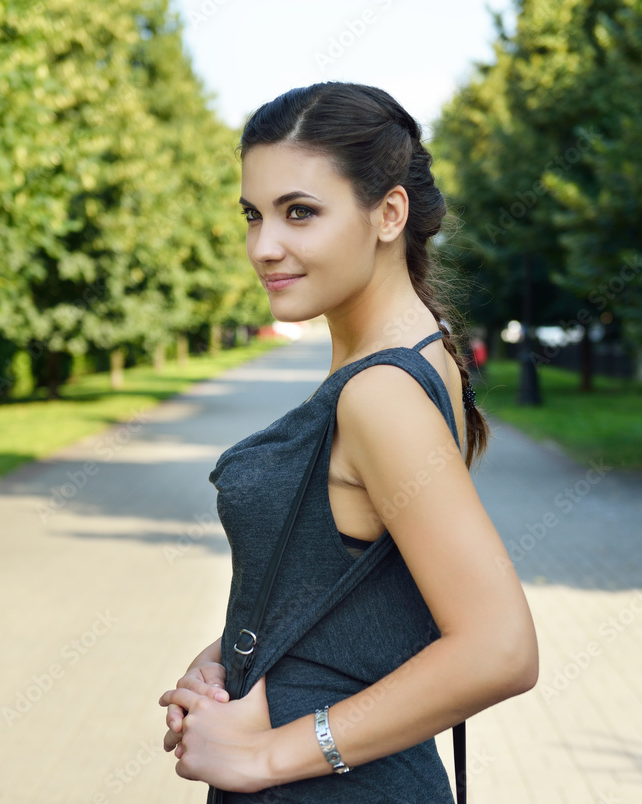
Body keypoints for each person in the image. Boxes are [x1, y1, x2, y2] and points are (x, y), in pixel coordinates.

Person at [157, 83, 538, 801]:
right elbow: (360, 588)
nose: (264, 246)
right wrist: (234, 657)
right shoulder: (417, 354)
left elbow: (501, 648)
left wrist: (264, 758)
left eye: (300, 212)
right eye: (253, 214)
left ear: (388, 213)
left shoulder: (380, 393)